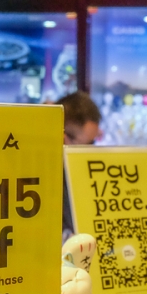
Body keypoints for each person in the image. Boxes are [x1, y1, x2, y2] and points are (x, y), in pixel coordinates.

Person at [59, 92, 102, 240]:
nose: (92, 150)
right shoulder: (42, 176)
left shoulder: (83, 172)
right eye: (88, 144)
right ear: (63, 139)